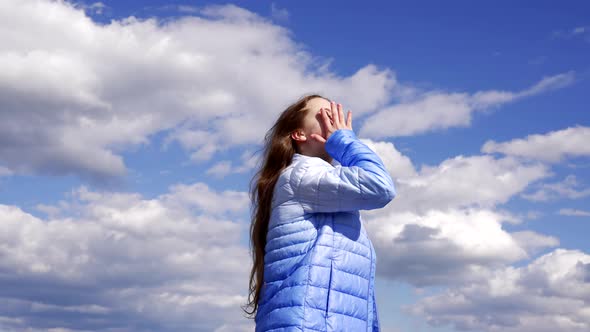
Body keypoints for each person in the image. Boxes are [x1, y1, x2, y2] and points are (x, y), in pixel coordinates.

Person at [244, 93, 396, 331]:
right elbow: (379, 186)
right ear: (299, 134)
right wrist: (345, 141)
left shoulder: (324, 183)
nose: (335, 121)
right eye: (324, 115)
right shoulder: (302, 176)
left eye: (336, 113)